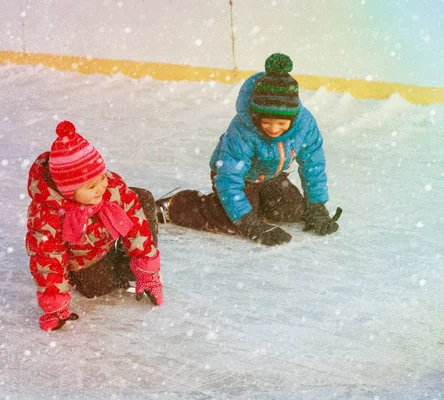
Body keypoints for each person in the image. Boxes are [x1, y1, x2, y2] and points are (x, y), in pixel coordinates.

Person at [156, 53, 340, 246]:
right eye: (266, 122)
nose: (274, 129)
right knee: (233, 222)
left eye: (281, 123)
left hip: (269, 176)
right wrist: (248, 223)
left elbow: (313, 164)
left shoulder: (304, 125)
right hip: (238, 177)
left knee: (292, 210)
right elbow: (228, 178)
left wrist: (317, 206)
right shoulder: (243, 130)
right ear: (256, 114)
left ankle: (252, 203)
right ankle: (175, 206)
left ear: (293, 118)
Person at [26, 120, 163, 331]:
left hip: (104, 234)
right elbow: (48, 261)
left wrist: (147, 271)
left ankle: (128, 260)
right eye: (91, 186)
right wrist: (55, 307)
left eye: (101, 177)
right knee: (97, 287)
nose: (101, 188)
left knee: (140, 199)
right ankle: (100, 270)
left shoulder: (111, 187)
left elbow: (137, 225)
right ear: (68, 191)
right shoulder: (48, 218)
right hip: (82, 258)